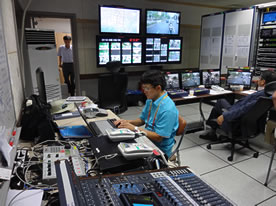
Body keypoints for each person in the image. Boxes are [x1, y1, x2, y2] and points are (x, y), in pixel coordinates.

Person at [114, 70, 179, 157]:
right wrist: (126, 122)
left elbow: (158, 137)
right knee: (117, 147)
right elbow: (142, 120)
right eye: (143, 88)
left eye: (147, 88)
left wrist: (135, 128)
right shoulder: (151, 99)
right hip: (146, 139)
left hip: (159, 149)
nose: (144, 91)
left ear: (158, 88)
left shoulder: (168, 109)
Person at [200, 70, 276, 141]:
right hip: (249, 122)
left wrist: (225, 116)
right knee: (221, 103)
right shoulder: (268, 95)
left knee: (220, 102)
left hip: (238, 119)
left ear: (263, 82)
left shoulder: (261, 97)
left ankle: (212, 131)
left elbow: (243, 109)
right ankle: (215, 130)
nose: (258, 80)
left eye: (260, 78)